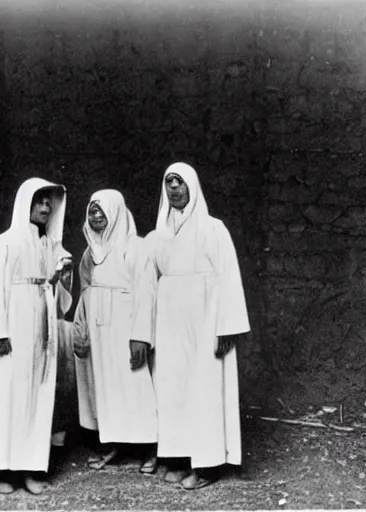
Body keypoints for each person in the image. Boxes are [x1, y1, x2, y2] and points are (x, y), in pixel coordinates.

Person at [146, 162, 250, 490]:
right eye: (168, 182)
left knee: (204, 389)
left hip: (206, 320)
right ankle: (178, 457)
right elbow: (149, 282)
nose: (174, 187)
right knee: (172, 386)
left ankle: (207, 465)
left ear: (192, 186)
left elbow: (229, 278)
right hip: (170, 323)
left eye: (179, 181)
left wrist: (226, 327)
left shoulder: (213, 228)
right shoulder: (158, 235)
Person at [0, 178, 73, 495]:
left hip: (40, 330)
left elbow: (58, 283)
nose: (45, 207)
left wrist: (60, 273)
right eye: (39, 201)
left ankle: (31, 467)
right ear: (24, 203)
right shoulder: (5, 242)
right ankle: (2, 469)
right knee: (8, 396)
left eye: (48, 203)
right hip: (12, 328)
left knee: (38, 396)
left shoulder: (48, 245)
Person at [73, 189, 158, 474]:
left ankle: (150, 448)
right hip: (99, 333)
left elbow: (146, 292)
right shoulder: (89, 253)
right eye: (92, 211)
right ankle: (111, 443)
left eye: (102, 211)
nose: (96, 217)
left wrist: (140, 337)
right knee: (104, 387)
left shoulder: (136, 246)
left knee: (135, 384)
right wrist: (81, 327)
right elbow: (84, 290)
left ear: (116, 212)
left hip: (125, 328)